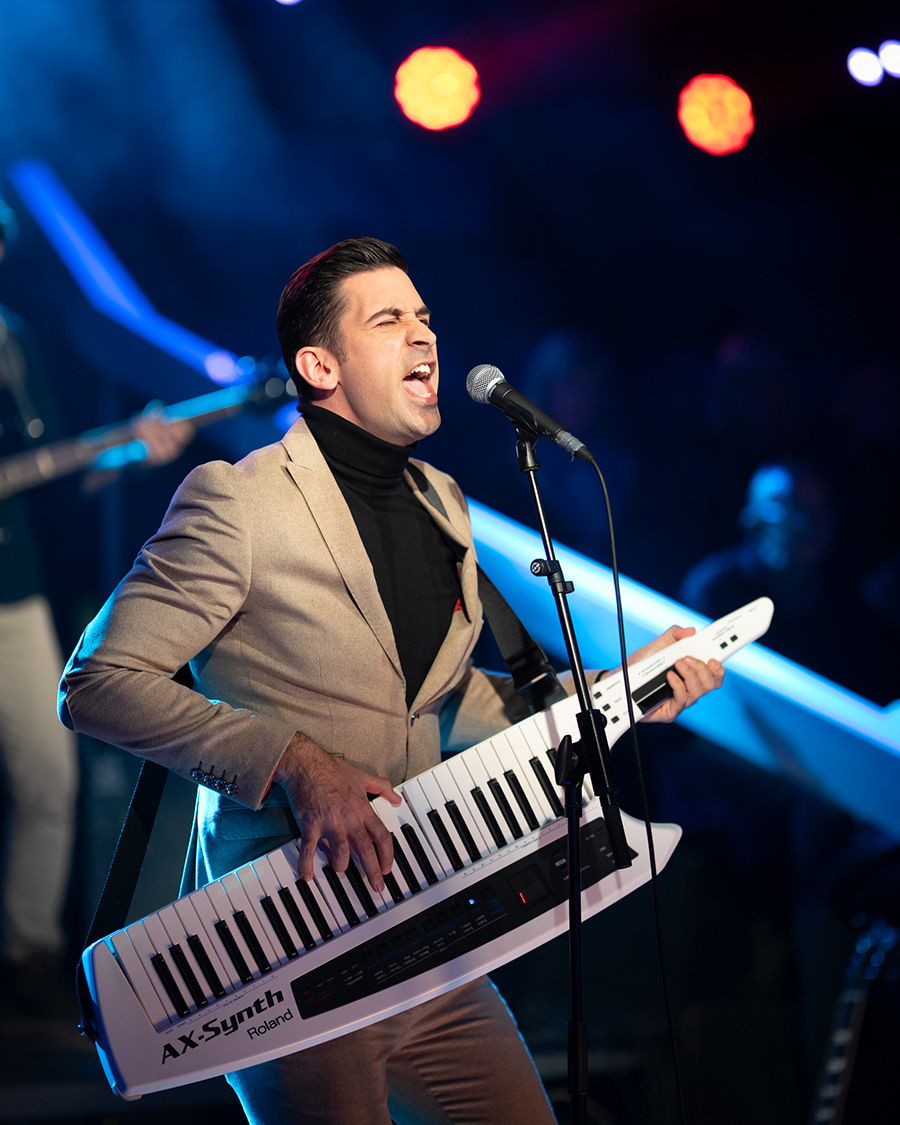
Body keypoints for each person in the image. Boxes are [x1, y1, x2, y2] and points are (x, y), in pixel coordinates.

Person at [58, 236, 724, 1124]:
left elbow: (446, 704)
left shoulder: (442, 501)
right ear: (319, 366)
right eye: (389, 319)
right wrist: (295, 761)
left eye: (424, 317)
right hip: (289, 935)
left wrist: (616, 692)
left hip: (429, 923)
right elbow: (96, 680)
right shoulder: (237, 500)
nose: (424, 336)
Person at [0, 194, 194, 1016]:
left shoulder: (14, 339)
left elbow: (56, 474)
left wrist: (131, 452)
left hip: (12, 592)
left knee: (49, 775)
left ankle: (28, 958)